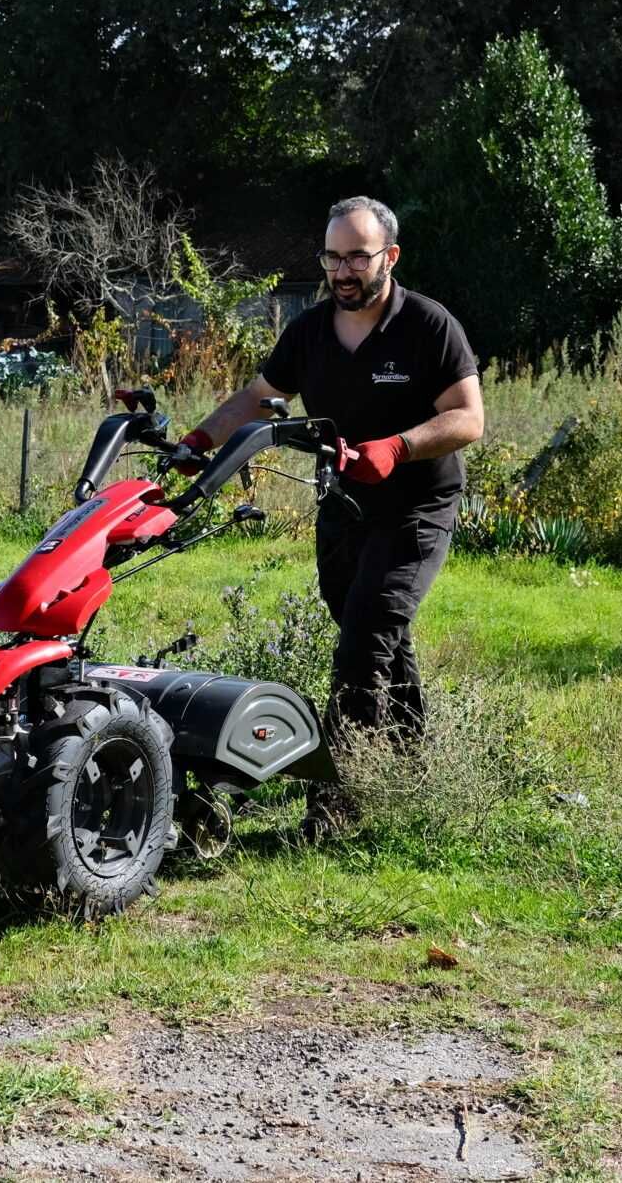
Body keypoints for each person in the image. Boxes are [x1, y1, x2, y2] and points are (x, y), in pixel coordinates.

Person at [175, 196, 483, 836]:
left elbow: (467, 419)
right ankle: (408, 772)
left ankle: (335, 811)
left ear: (389, 257)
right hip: (343, 506)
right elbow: (262, 399)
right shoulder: (310, 331)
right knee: (375, 637)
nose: (343, 271)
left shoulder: (429, 326)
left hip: (416, 508)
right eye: (333, 257)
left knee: (363, 645)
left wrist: (398, 447)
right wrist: (199, 444)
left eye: (357, 257)